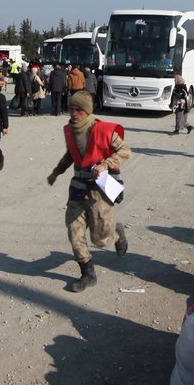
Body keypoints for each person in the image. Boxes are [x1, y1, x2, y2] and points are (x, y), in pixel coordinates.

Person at [45, 92, 131, 292]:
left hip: (99, 189)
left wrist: (105, 164)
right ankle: (87, 273)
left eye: (78, 110)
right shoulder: (70, 130)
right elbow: (71, 154)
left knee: (100, 239)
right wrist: (56, 172)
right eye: (72, 109)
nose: (74, 113)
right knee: (74, 232)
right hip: (78, 188)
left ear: (87, 111)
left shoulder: (103, 130)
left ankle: (116, 233)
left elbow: (125, 151)